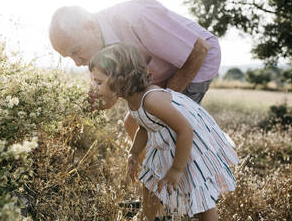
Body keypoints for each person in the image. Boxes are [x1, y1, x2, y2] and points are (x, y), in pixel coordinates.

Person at [88, 43, 239, 221]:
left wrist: (176, 169)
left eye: (98, 82)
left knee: (199, 196)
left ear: (120, 80)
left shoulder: (152, 100)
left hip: (187, 144)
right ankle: (148, 216)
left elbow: (185, 130)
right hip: (167, 143)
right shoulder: (133, 101)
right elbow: (145, 126)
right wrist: (134, 152)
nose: (94, 87)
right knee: (151, 183)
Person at [49, 0, 221, 142]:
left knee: (162, 130)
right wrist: (98, 100)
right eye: (69, 57)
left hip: (195, 60)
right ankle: (152, 176)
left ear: (90, 27)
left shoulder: (134, 17)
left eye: (74, 51)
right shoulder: (93, 51)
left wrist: (158, 105)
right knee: (131, 123)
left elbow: (199, 49)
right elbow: (110, 99)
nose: (77, 63)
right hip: (158, 71)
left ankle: (181, 175)